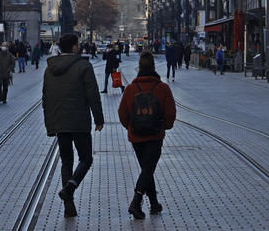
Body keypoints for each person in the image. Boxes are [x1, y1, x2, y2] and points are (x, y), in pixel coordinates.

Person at [43, 33, 104, 218]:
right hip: (79, 121)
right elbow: (92, 94)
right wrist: (99, 119)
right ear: (75, 47)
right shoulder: (83, 66)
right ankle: (70, 187)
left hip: (60, 121)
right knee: (86, 159)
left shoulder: (50, 68)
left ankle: (68, 206)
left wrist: (50, 122)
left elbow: (46, 98)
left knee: (66, 162)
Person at [117, 50, 176, 220]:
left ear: (139, 67)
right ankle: (136, 202)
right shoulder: (162, 88)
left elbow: (122, 113)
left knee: (146, 169)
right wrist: (163, 127)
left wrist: (131, 127)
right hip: (155, 136)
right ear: (154, 67)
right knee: (148, 169)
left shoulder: (130, 89)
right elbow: (170, 113)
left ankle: (154, 203)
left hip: (136, 137)